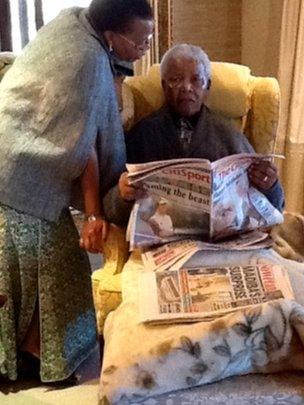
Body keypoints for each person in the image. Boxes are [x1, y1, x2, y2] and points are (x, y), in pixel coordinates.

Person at [0, 0, 153, 383]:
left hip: (7, 156)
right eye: (139, 42)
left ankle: (23, 353)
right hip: (21, 176)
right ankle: (39, 356)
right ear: (112, 36)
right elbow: (82, 145)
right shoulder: (88, 61)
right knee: (59, 265)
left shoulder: (72, 20)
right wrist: (94, 215)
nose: (145, 49)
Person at [104, 44, 284, 225]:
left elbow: (275, 207)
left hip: (220, 243)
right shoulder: (141, 134)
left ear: (208, 87)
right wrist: (122, 195)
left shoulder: (230, 136)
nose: (186, 87)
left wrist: (271, 186)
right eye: (175, 79)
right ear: (164, 86)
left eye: (197, 80)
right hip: (162, 239)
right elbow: (110, 209)